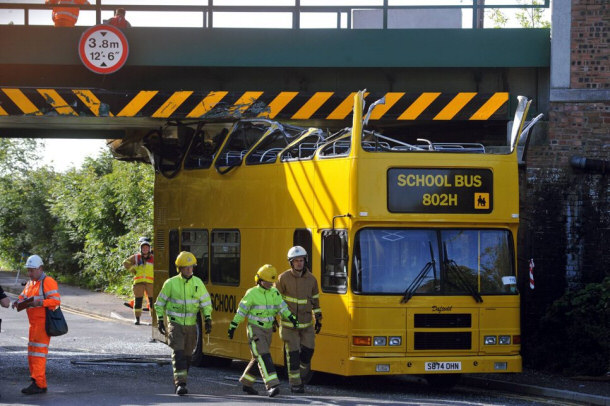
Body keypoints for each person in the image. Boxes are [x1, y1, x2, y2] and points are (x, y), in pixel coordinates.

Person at [227, 264, 298, 398]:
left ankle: (246, 383)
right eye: (268, 282)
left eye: (272, 282)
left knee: (257, 357)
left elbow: (282, 308)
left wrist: (291, 318)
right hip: (255, 329)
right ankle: (272, 385)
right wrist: (233, 326)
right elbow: (241, 311)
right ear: (259, 280)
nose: (270, 284)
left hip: (268, 330)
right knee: (264, 356)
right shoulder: (252, 293)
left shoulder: (274, 292)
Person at [154, 251, 212, 396]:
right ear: (179, 268)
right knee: (178, 353)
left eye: (191, 267)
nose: (189, 270)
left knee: (187, 355)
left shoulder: (198, 283)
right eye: (186, 267)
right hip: (175, 324)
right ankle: (181, 384)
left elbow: (205, 303)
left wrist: (208, 318)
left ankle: (182, 378)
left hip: (191, 325)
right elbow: (159, 303)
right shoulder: (171, 283)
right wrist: (161, 319)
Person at [11, 255, 61, 395]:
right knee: (33, 354)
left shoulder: (48, 281)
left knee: (38, 354)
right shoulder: (30, 283)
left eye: (32, 270)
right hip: (33, 325)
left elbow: (56, 301)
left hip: (42, 323)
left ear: (40, 268)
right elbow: (23, 297)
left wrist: (40, 303)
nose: (30, 273)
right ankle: (37, 382)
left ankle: (39, 384)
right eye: (28, 270)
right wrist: (18, 302)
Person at [276, 246, 322, 393]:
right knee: (293, 354)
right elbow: (275, 299)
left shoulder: (312, 280)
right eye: (295, 261)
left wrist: (318, 318)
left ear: (305, 261)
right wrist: (272, 317)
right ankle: (295, 384)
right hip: (289, 325)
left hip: (307, 324)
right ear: (291, 263)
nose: (299, 263)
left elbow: (315, 300)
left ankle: (300, 376)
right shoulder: (283, 278)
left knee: (308, 352)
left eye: (301, 260)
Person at [123, 238, 154, 325]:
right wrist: (133, 270)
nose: (145, 250)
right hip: (139, 283)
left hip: (150, 283)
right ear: (141, 249)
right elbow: (126, 263)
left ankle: (153, 320)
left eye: (147, 248)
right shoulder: (136, 257)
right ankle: (137, 319)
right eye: (143, 248)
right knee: (138, 301)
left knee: (152, 302)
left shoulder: (153, 258)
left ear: (149, 249)